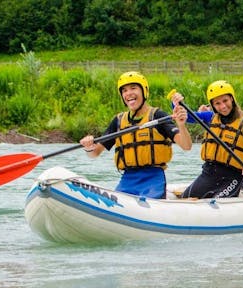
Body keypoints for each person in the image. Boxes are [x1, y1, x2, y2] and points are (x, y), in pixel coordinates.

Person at [80, 71, 192, 199]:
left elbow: (186, 146)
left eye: (133, 88)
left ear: (144, 91)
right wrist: (89, 146)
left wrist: (181, 125)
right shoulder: (118, 121)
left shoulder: (157, 116)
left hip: (153, 179)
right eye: (124, 90)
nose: (128, 93)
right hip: (127, 180)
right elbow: (94, 153)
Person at [170, 80, 243, 199]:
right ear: (212, 105)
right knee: (185, 199)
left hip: (234, 176)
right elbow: (189, 116)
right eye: (217, 103)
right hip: (209, 173)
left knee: (216, 201)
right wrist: (176, 104)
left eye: (225, 101)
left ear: (232, 99)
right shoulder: (210, 117)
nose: (223, 106)